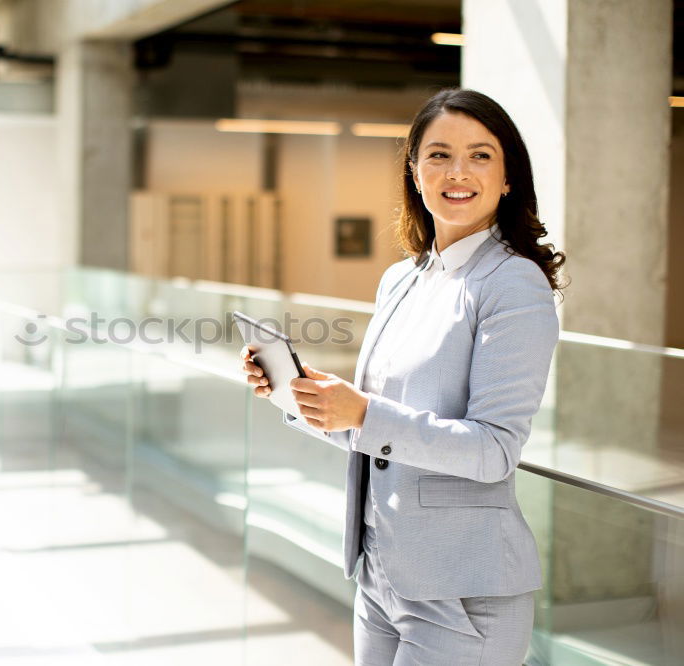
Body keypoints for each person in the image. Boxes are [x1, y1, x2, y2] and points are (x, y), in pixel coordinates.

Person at [240, 87, 567, 665]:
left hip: (464, 592)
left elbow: (494, 450)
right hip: (382, 574)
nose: (457, 171)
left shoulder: (512, 284)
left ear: (509, 175)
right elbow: (378, 433)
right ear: (414, 172)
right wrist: (297, 395)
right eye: (438, 154)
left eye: (480, 155)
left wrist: (363, 412)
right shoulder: (402, 279)